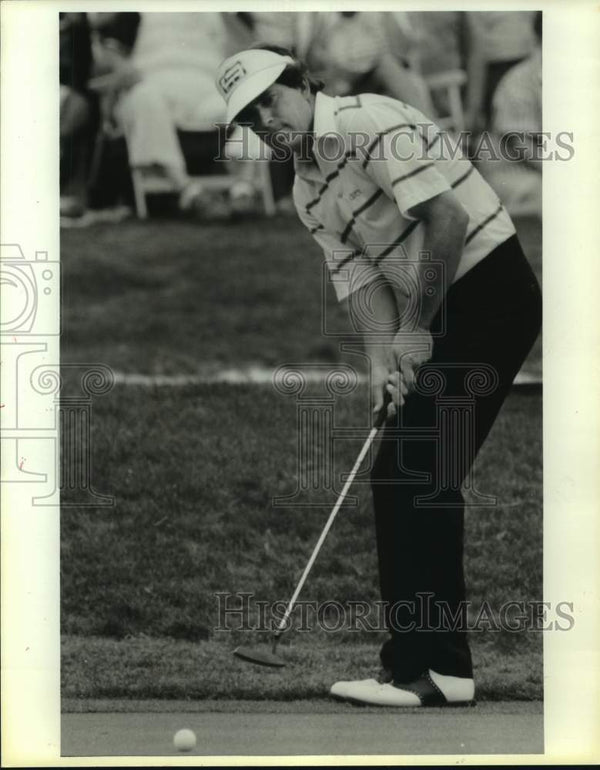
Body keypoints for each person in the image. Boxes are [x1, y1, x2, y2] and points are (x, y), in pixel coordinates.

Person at [215, 46, 542, 706]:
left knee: (418, 472)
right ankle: (422, 667)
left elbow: (445, 220)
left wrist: (417, 329)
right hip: (438, 305)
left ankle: (434, 670)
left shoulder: (367, 122)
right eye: (249, 119)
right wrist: (380, 367)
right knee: (403, 472)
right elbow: (361, 285)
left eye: (269, 102)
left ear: (303, 85)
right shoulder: (307, 188)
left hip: (489, 291)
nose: (264, 123)